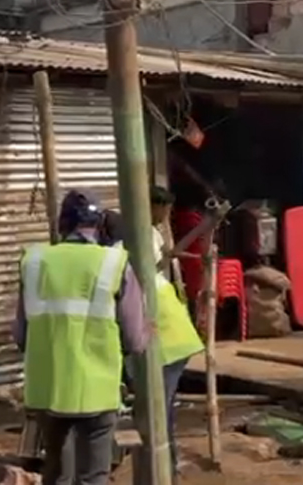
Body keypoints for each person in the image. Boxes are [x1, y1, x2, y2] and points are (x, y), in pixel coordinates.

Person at [14, 190, 149, 485]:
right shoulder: (114, 263)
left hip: (47, 390)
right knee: (93, 476)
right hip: (97, 390)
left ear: (62, 224)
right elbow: (135, 339)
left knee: (56, 472)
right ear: (99, 225)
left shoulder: (33, 261)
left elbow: (21, 336)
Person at [101, 190, 206, 480]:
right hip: (171, 338)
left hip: (166, 341)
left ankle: (163, 471)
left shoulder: (121, 254)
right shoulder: (137, 245)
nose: (165, 216)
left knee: (156, 411)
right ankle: (164, 468)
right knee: (159, 409)